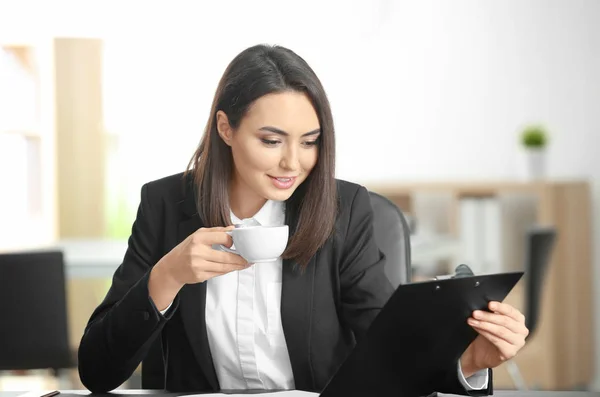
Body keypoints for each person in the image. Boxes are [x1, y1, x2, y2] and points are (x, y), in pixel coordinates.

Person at [78, 44, 529, 394]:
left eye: (310, 142)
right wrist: (168, 275)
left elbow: (392, 355)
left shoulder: (344, 210)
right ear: (225, 128)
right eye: (271, 141)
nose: (292, 163)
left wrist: (469, 361)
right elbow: (97, 371)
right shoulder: (165, 204)